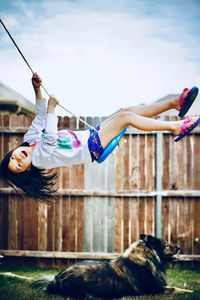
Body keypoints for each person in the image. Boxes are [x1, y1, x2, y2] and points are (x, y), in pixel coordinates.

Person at [0, 73, 199, 202]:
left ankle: (175, 103)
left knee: (127, 111)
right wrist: (53, 108)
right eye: (18, 165)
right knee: (126, 117)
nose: (18, 159)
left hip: (91, 136)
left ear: (13, 151)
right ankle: (174, 127)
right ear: (27, 170)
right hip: (92, 146)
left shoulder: (31, 139)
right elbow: (51, 137)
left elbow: (41, 116)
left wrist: (37, 89)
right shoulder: (39, 159)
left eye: (13, 158)